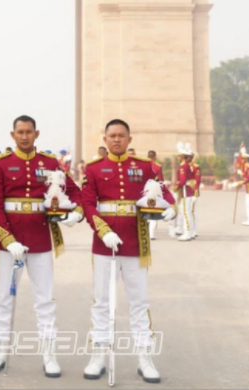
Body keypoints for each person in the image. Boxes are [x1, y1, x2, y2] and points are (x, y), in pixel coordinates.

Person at [0, 115, 83, 378]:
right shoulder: (0, 164)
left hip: (40, 239)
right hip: (10, 242)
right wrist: (8, 239)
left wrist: (75, 212)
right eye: (20, 132)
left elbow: (75, 191)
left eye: (29, 132)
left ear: (36, 134)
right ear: (12, 134)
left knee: (45, 300)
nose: (25, 136)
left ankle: (49, 355)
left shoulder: (50, 163)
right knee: (4, 299)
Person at [82, 119, 176, 384]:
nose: (116, 140)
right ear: (105, 138)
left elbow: (165, 192)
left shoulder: (146, 167)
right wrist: (103, 230)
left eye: (121, 136)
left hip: (136, 242)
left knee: (139, 302)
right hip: (105, 243)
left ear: (129, 139)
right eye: (112, 136)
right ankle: (99, 354)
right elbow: (88, 205)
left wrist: (171, 207)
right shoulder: (94, 169)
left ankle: (144, 356)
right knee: (102, 302)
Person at [172, 143, 194, 241]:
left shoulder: (183, 167)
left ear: (182, 157)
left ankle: (187, 233)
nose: (178, 158)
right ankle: (189, 232)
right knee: (187, 212)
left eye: (179, 156)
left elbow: (183, 180)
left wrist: (176, 187)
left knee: (185, 212)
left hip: (185, 191)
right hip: (187, 191)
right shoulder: (186, 165)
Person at [234, 148, 249, 226]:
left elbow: (248, 178)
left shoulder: (248, 166)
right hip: (248, 186)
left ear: (246, 159)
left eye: (243, 159)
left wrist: (239, 182)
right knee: (248, 202)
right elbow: (245, 175)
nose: (241, 160)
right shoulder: (245, 166)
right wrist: (240, 173)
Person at [147, 150, 163, 240]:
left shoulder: (143, 166)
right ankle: (151, 234)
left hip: (144, 191)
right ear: (155, 157)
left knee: (144, 211)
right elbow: (161, 180)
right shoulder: (158, 167)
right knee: (153, 211)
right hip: (154, 191)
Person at [190, 153, 202, 237]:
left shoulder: (195, 167)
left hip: (193, 191)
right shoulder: (184, 166)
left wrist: (195, 193)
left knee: (192, 211)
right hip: (185, 192)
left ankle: (194, 230)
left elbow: (197, 181)